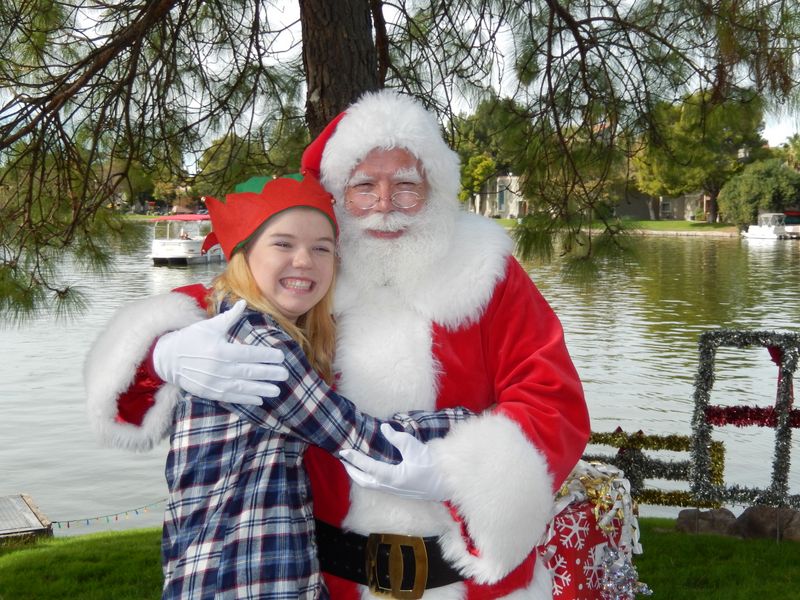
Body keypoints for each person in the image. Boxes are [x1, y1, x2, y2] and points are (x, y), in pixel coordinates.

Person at [85, 89, 590, 599]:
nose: (385, 205)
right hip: (327, 581)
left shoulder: (488, 273)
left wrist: (459, 472)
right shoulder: (307, 278)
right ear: (336, 194)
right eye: (363, 187)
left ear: (435, 188)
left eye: (407, 186)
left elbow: (553, 400)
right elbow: (203, 312)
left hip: (473, 584)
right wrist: (162, 354)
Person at [158, 175, 471, 598]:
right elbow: (359, 439)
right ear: (244, 254)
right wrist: (474, 424)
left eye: (322, 248)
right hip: (238, 580)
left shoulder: (239, 326)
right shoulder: (254, 342)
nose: (305, 260)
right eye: (283, 244)